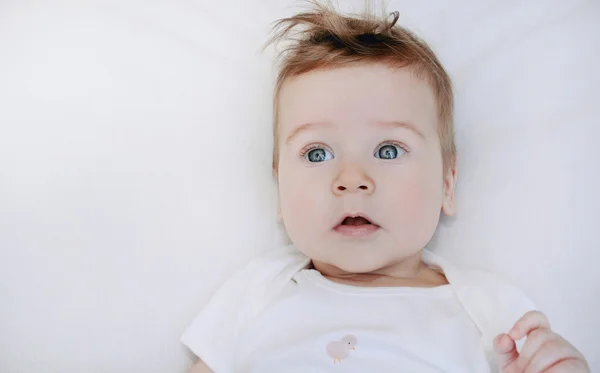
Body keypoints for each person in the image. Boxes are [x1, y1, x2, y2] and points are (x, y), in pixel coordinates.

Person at [181, 2, 590, 372]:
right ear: (279, 188)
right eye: (318, 153)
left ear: (448, 183)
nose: (352, 179)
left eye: (389, 150)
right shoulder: (257, 292)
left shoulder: (490, 309)